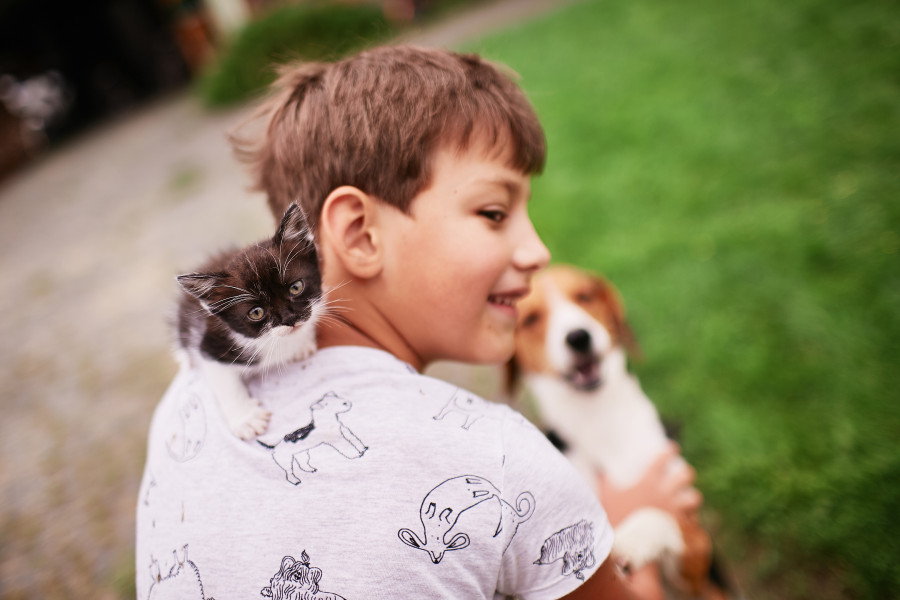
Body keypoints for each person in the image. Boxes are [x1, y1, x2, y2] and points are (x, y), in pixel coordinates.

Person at [136, 45, 698, 599]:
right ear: (359, 235)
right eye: (494, 213)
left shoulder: (188, 401)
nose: (537, 251)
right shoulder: (500, 462)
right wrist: (633, 525)